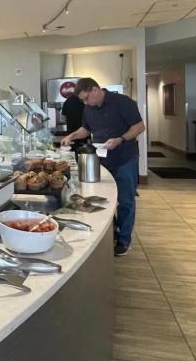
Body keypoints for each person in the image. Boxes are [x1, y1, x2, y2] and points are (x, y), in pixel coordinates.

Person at [61, 77, 145, 256]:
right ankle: (113, 232)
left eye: (86, 98)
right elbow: (86, 129)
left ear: (95, 90)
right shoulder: (88, 108)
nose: (85, 103)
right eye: (82, 100)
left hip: (124, 157)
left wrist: (120, 139)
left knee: (125, 200)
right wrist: (72, 136)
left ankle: (124, 240)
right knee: (104, 198)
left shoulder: (122, 102)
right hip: (102, 159)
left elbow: (139, 127)